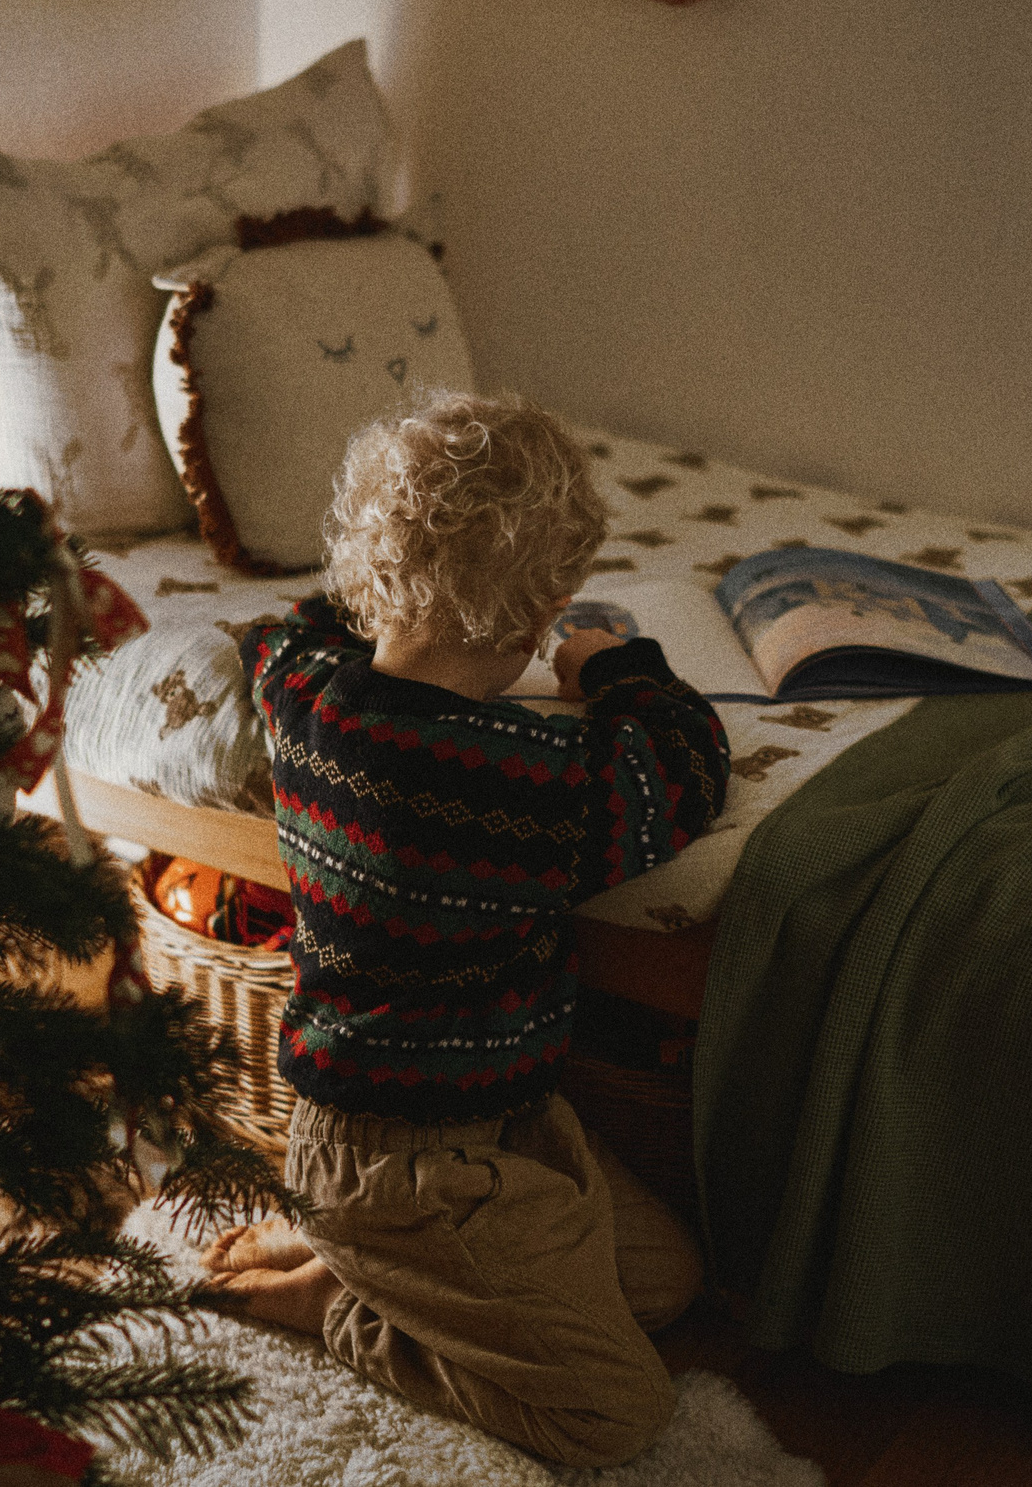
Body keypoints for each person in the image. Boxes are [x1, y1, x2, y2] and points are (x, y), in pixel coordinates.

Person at [202, 390, 731, 1468]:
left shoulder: (306, 701)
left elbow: (278, 635)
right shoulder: (526, 781)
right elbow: (679, 768)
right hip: (405, 1169)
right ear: (537, 614)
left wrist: (375, 589)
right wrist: (620, 672)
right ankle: (342, 1309)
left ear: (367, 571)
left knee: (663, 1285)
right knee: (614, 1411)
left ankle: (369, 1267)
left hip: (488, 1130)